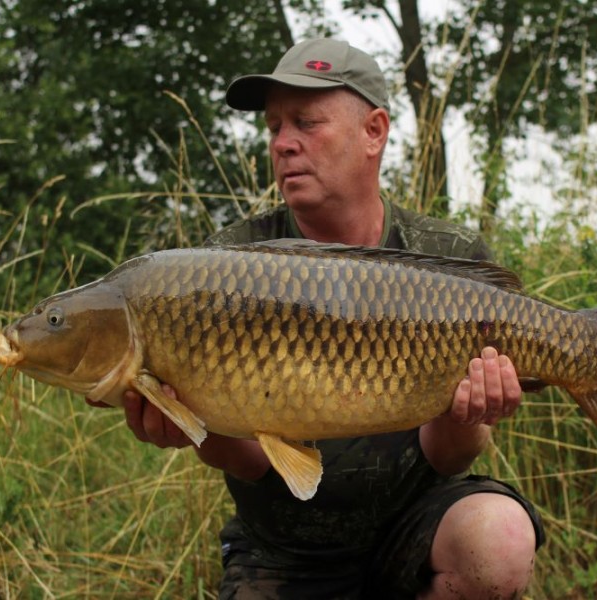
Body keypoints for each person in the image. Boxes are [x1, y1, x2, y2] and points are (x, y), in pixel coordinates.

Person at [95, 38, 545, 599]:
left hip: (417, 524)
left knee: (497, 540)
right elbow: (255, 463)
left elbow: (446, 454)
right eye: (274, 127)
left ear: (373, 132)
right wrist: (190, 426)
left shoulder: (448, 258)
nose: (284, 144)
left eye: (306, 122)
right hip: (282, 546)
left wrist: (472, 411)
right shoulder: (221, 267)